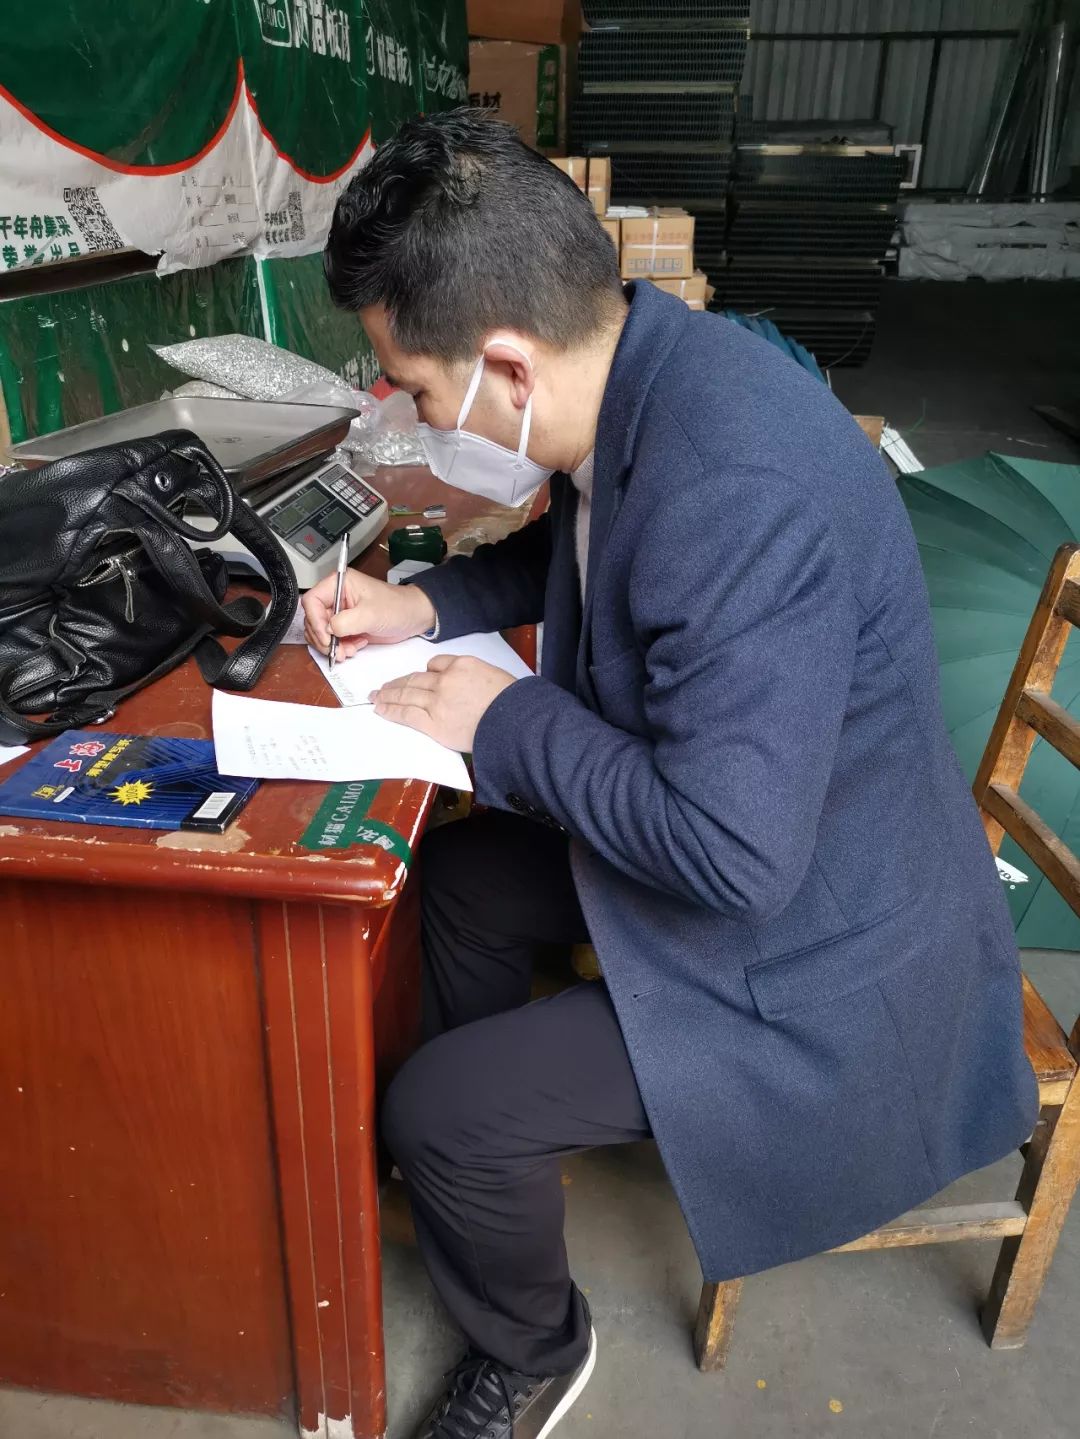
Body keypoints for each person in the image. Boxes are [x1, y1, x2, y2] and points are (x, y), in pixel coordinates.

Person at [304, 109, 1037, 1439]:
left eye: (413, 391)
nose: (410, 419)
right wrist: (426, 604)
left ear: (507, 366)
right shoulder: (638, 370)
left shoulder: (735, 485)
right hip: (773, 839)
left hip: (820, 947)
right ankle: (488, 1160)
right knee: (460, 881)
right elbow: (580, 548)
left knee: (440, 1110)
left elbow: (732, 856)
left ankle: (531, 1343)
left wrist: (501, 719)